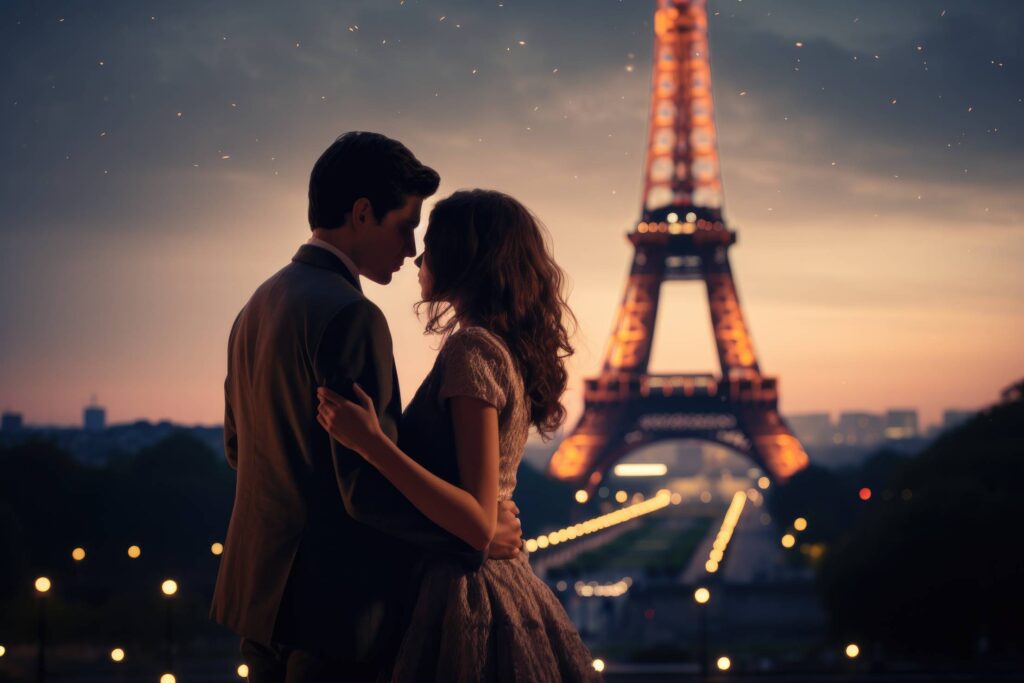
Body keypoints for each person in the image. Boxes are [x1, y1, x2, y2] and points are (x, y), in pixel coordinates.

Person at [211, 133, 524, 683]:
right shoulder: (353, 316)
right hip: (335, 611)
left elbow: (240, 450)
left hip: (258, 600)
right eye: (404, 226)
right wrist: (475, 536)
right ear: (361, 214)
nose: (410, 249)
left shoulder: (256, 305)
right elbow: (365, 490)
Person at [317, 189, 602, 682]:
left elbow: (475, 524)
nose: (417, 258)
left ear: (464, 258)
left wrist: (371, 444)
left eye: (430, 245)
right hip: (490, 583)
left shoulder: (472, 349)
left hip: (466, 593)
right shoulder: (496, 347)